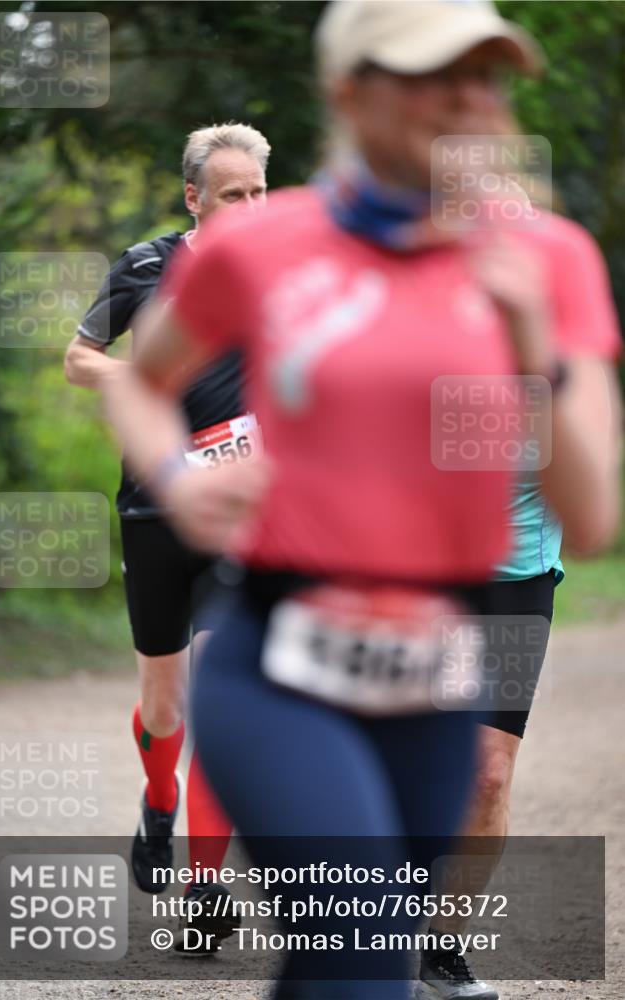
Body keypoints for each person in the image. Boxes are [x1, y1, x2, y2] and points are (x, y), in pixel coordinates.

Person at [103, 2, 621, 997]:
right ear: (350, 93)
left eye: (486, 76)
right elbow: (135, 381)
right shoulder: (263, 245)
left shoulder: (551, 260)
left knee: (355, 961)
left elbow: (590, 516)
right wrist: (177, 481)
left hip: (433, 665)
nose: (469, 101)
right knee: (354, 944)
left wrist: (532, 354)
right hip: (279, 645)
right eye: (433, 78)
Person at [64, 123, 270, 940]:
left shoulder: (286, 272)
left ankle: (203, 889)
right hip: (153, 509)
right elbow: (78, 359)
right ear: (194, 198)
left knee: (219, 701)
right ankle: (158, 801)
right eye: (232, 196)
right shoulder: (147, 267)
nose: (251, 209)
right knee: (165, 702)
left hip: (240, 515)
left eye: (260, 192)